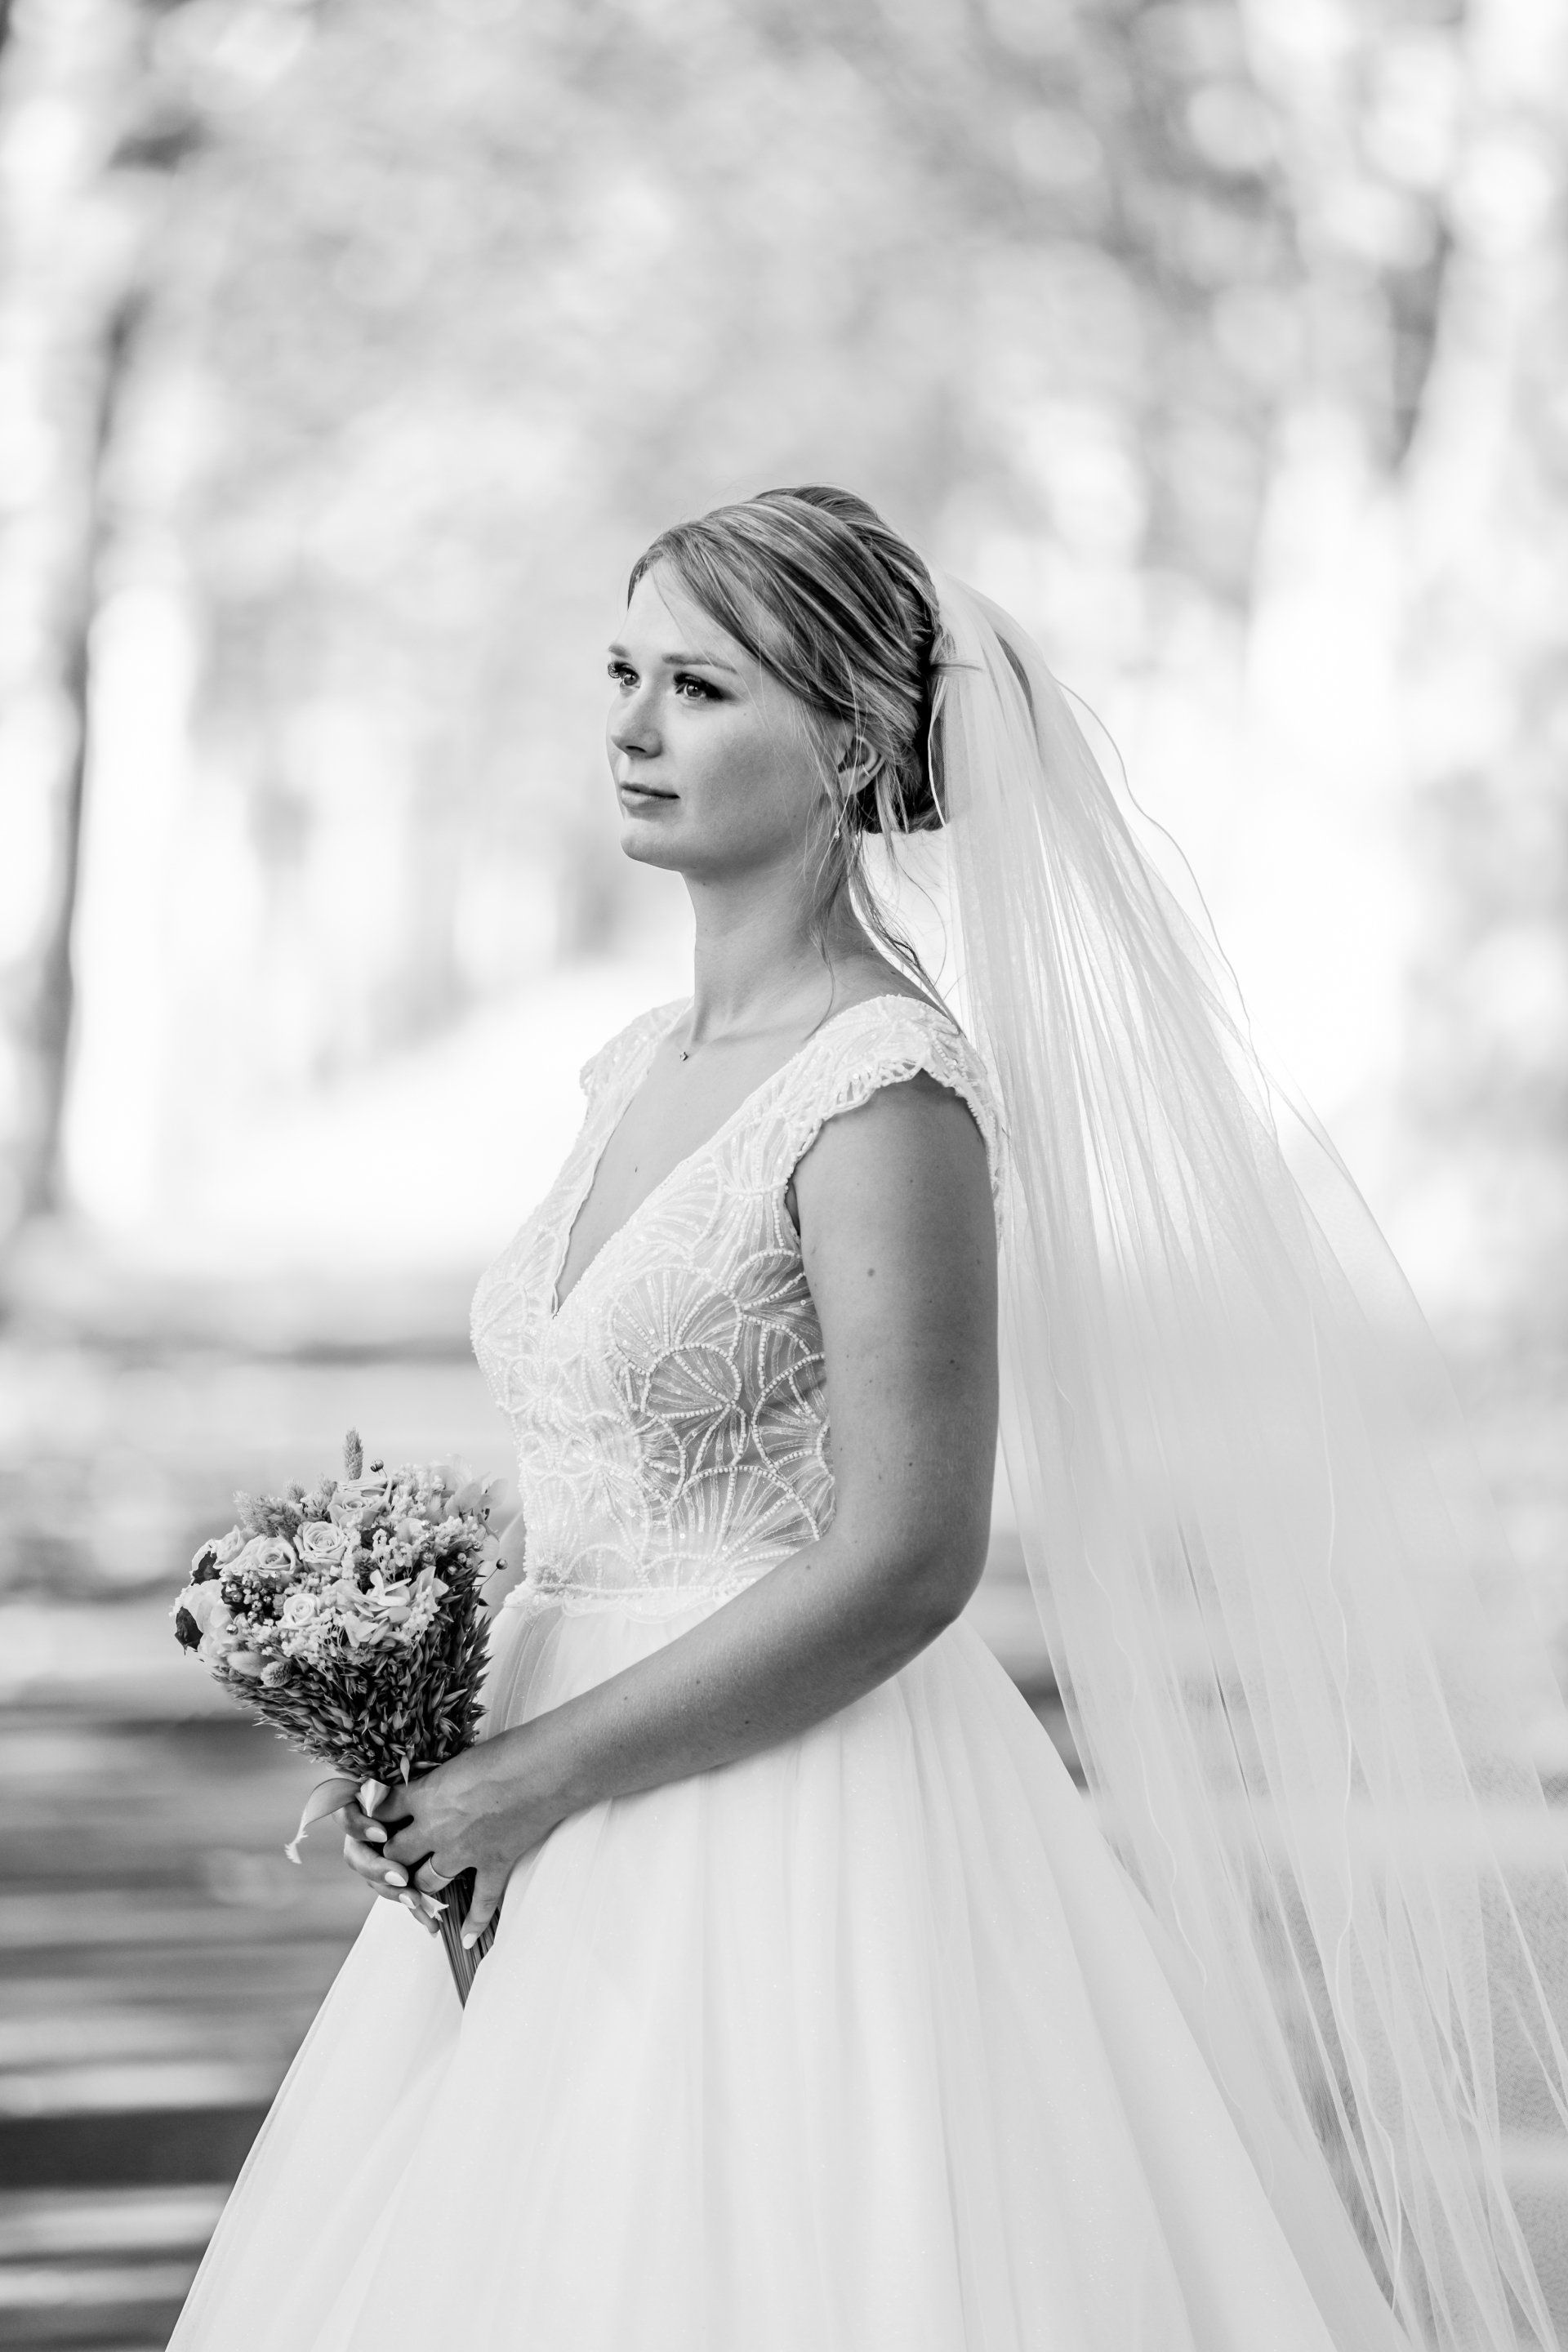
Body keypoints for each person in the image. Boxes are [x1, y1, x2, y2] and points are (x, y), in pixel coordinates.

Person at [168, 488, 1568, 2351]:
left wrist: (532, 1775)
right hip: (540, 1788)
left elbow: (911, 1555)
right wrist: (428, 1716)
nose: (634, 726)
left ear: (846, 746)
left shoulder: (882, 1090)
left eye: (702, 687)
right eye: (623, 672)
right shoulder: (639, 1066)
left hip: (778, 1811)